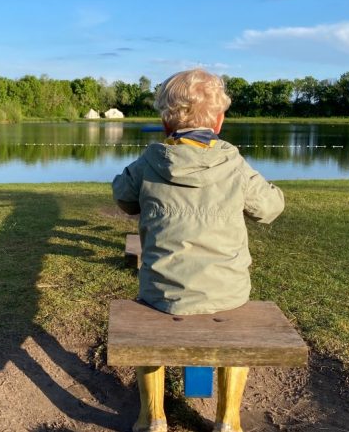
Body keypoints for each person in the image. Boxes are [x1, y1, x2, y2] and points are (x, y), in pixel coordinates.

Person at [111, 68, 285, 432]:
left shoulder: (149, 161)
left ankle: (152, 418)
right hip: (227, 293)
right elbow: (270, 209)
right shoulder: (233, 163)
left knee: (149, 317)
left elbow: (123, 199)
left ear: (165, 121)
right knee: (236, 326)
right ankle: (228, 419)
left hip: (162, 293)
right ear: (219, 121)